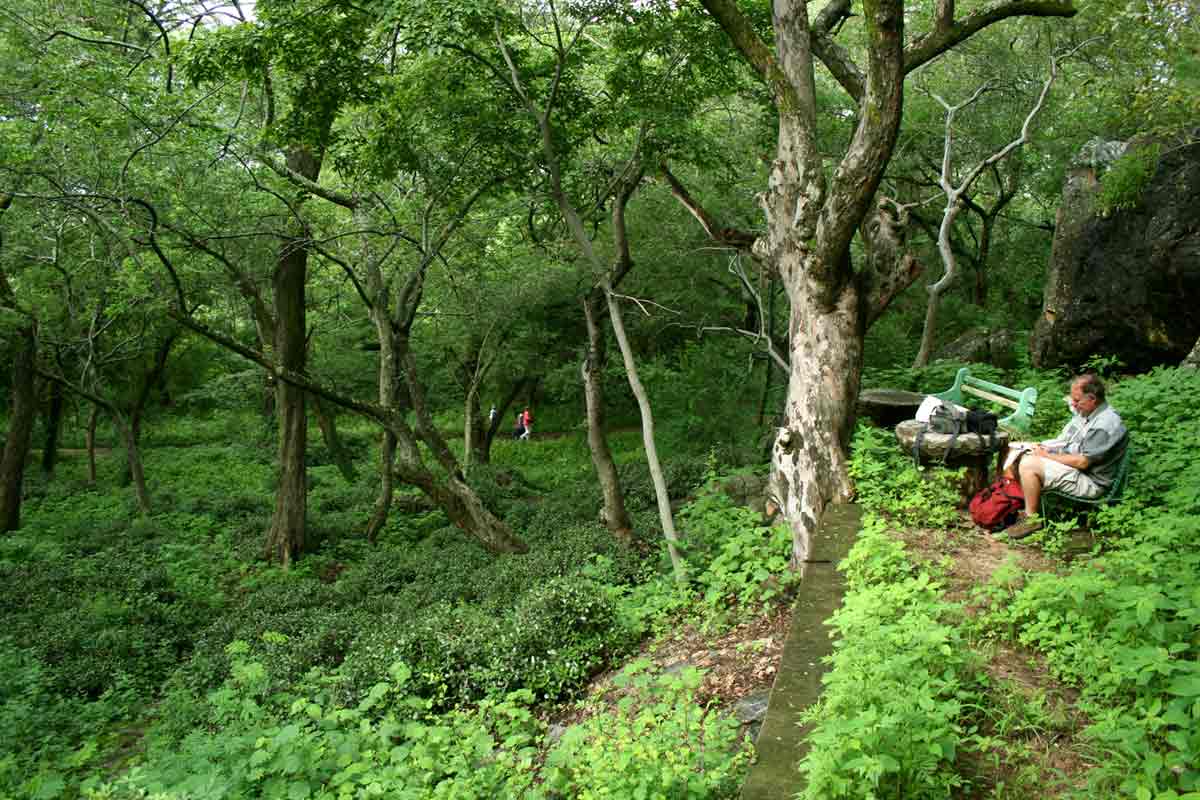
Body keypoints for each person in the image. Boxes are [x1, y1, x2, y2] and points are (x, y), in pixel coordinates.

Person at [998, 373, 1127, 538]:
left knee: (1029, 465)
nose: (1073, 404)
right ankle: (1007, 507)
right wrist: (1041, 446)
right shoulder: (1087, 414)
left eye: (1077, 400)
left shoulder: (1105, 424)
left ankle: (1032, 519)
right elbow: (1067, 443)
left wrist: (1045, 455)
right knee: (1014, 452)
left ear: (1092, 399)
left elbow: (1082, 462)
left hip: (1091, 481)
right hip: (1076, 470)